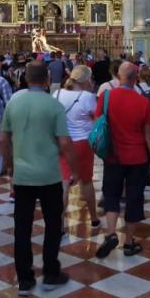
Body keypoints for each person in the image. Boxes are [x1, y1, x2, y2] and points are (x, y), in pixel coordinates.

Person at [0, 61, 76, 295]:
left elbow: (4, 140)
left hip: (22, 176)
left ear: (25, 79)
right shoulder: (54, 105)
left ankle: (25, 278)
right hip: (50, 174)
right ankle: (51, 272)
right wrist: (72, 168)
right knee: (53, 225)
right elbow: (64, 142)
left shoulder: (14, 104)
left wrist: (10, 167)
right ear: (46, 80)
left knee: (22, 227)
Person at [94, 62, 150, 259]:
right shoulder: (143, 102)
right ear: (135, 78)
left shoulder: (105, 98)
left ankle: (111, 233)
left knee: (111, 195)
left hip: (113, 156)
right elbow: (149, 135)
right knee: (134, 198)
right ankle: (129, 242)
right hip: (137, 158)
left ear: (119, 76)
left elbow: (98, 123)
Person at [53, 65, 100, 230]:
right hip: (82, 143)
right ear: (87, 79)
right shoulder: (88, 96)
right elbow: (97, 120)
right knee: (86, 181)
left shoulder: (57, 93)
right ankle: (93, 218)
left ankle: (60, 223)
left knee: (64, 183)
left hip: (62, 142)